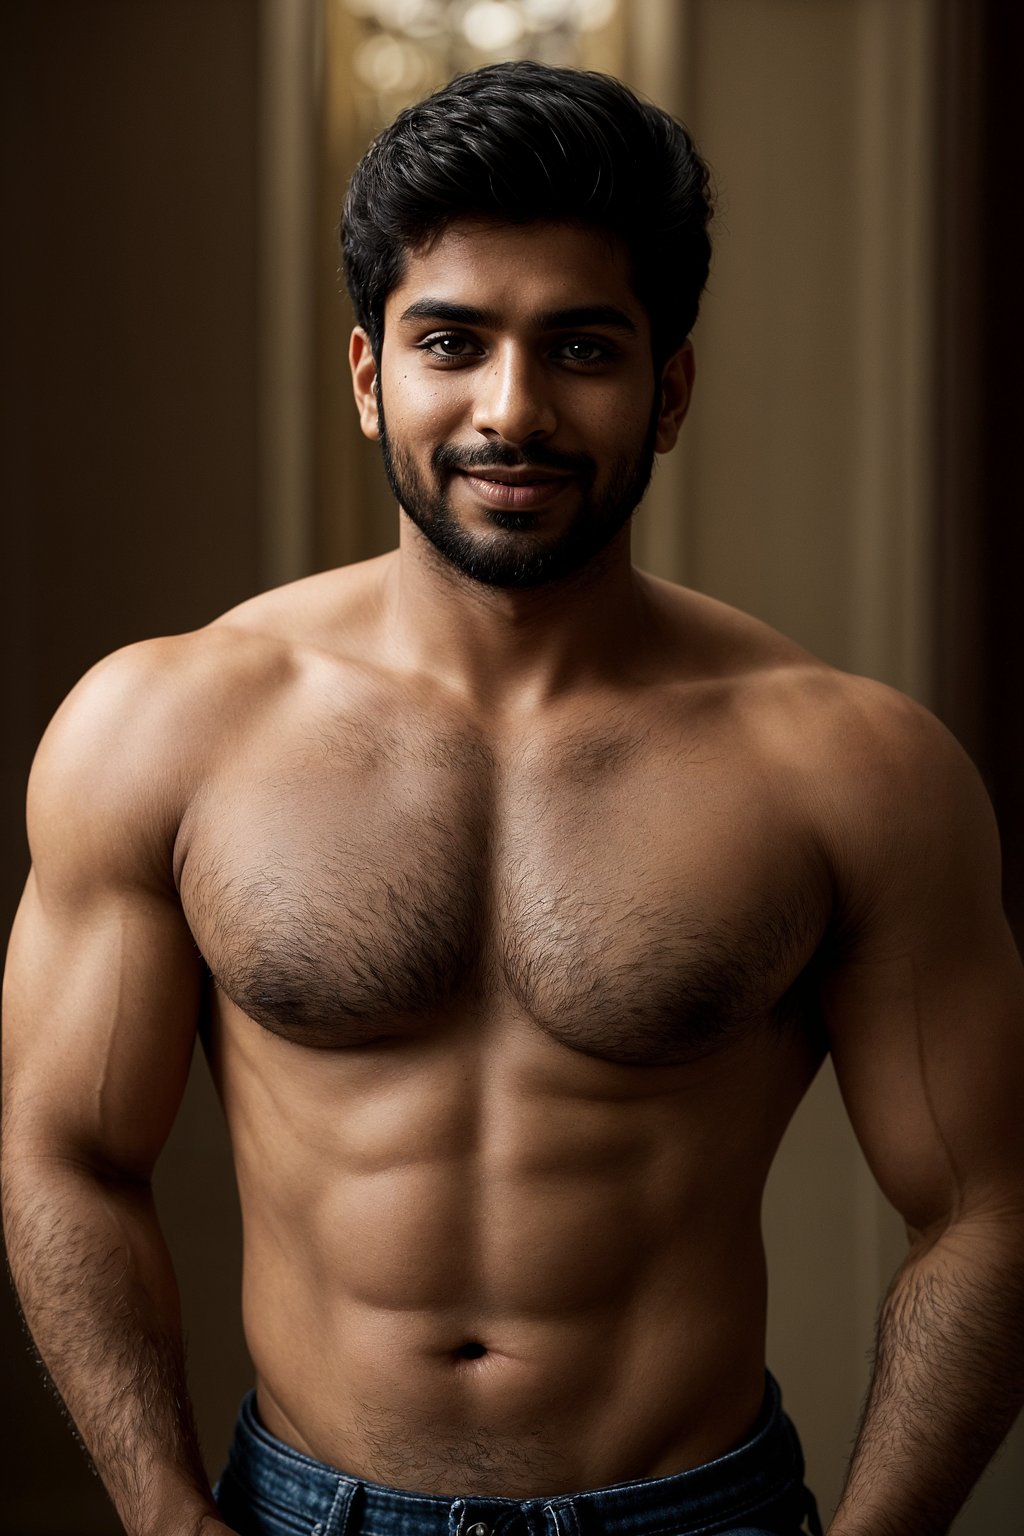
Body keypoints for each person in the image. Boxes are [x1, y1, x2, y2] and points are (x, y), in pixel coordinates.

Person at [2, 58, 1023, 1536]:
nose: (511, 409)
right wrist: (162, 1512)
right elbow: (67, 1154)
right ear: (370, 378)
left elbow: (987, 1208)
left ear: (668, 390)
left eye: (582, 349)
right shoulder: (161, 729)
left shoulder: (850, 771)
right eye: (451, 341)